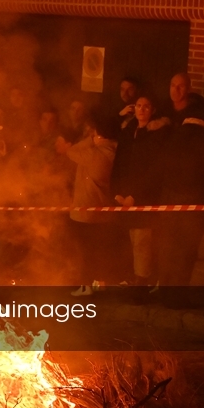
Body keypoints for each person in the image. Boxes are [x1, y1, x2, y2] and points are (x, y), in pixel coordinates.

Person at [156, 73, 204, 302]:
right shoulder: (164, 112)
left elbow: (181, 149)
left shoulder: (198, 118)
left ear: (188, 89)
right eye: (173, 85)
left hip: (192, 191)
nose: (176, 90)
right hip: (169, 189)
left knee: (185, 245)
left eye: (181, 86)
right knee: (166, 242)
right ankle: (165, 290)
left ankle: (178, 293)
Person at [111, 96, 168, 286]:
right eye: (138, 106)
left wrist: (135, 195)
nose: (142, 109)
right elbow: (120, 162)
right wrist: (117, 190)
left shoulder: (157, 135)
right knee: (129, 241)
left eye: (146, 106)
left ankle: (142, 283)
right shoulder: (128, 132)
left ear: (152, 110)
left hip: (144, 198)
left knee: (142, 242)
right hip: (124, 197)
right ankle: (130, 278)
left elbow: (154, 170)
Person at [62, 113, 119, 296]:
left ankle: (86, 286)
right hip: (102, 212)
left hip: (86, 212)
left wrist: (90, 139)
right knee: (98, 251)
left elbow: (71, 151)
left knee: (85, 253)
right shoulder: (114, 151)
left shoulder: (95, 153)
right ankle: (98, 283)